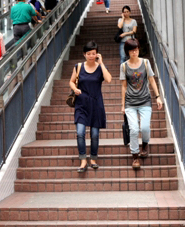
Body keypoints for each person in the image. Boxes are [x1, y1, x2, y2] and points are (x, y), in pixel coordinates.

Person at [120, 39, 163, 169]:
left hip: (145, 100)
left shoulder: (145, 62)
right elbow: (123, 86)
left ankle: (145, 145)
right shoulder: (124, 66)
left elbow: (151, 80)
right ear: (128, 51)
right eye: (132, 50)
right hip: (130, 103)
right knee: (133, 129)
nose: (135, 52)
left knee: (144, 127)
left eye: (137, 49)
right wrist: (123, 105)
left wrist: (158, 97)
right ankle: (135, 157)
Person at [69, 42, 112, 172]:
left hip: (96, 104)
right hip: (81, 104)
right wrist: (75, 89)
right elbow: (71, 81)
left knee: (94, 134)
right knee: (80, 132)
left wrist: (102, 63)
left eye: (94, 53)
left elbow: (109, 79)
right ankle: (83, 160)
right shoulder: (78, 67)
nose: (91, 56)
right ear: (84, 54)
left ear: (97, 54)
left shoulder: (100, 68)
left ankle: (93, 158)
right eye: (89, 54)